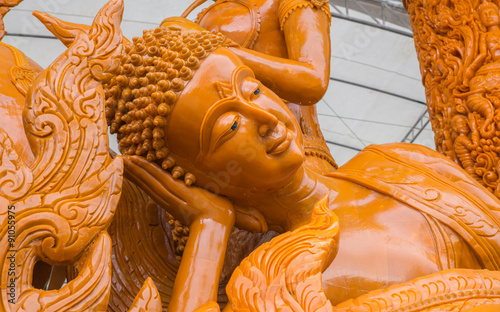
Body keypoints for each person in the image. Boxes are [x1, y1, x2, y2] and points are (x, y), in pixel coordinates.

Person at [101, 20, 500, 310]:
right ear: (194, 178)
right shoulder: (272, 278)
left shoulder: (402, 163)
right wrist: (209, 226)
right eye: (231, 125)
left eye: (253, 89)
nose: (267, 118)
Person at [173, 0, 337, 174]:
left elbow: (312, 81)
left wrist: (213, 46)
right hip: (227, 157)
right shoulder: (206, 13)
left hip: (289, 146)